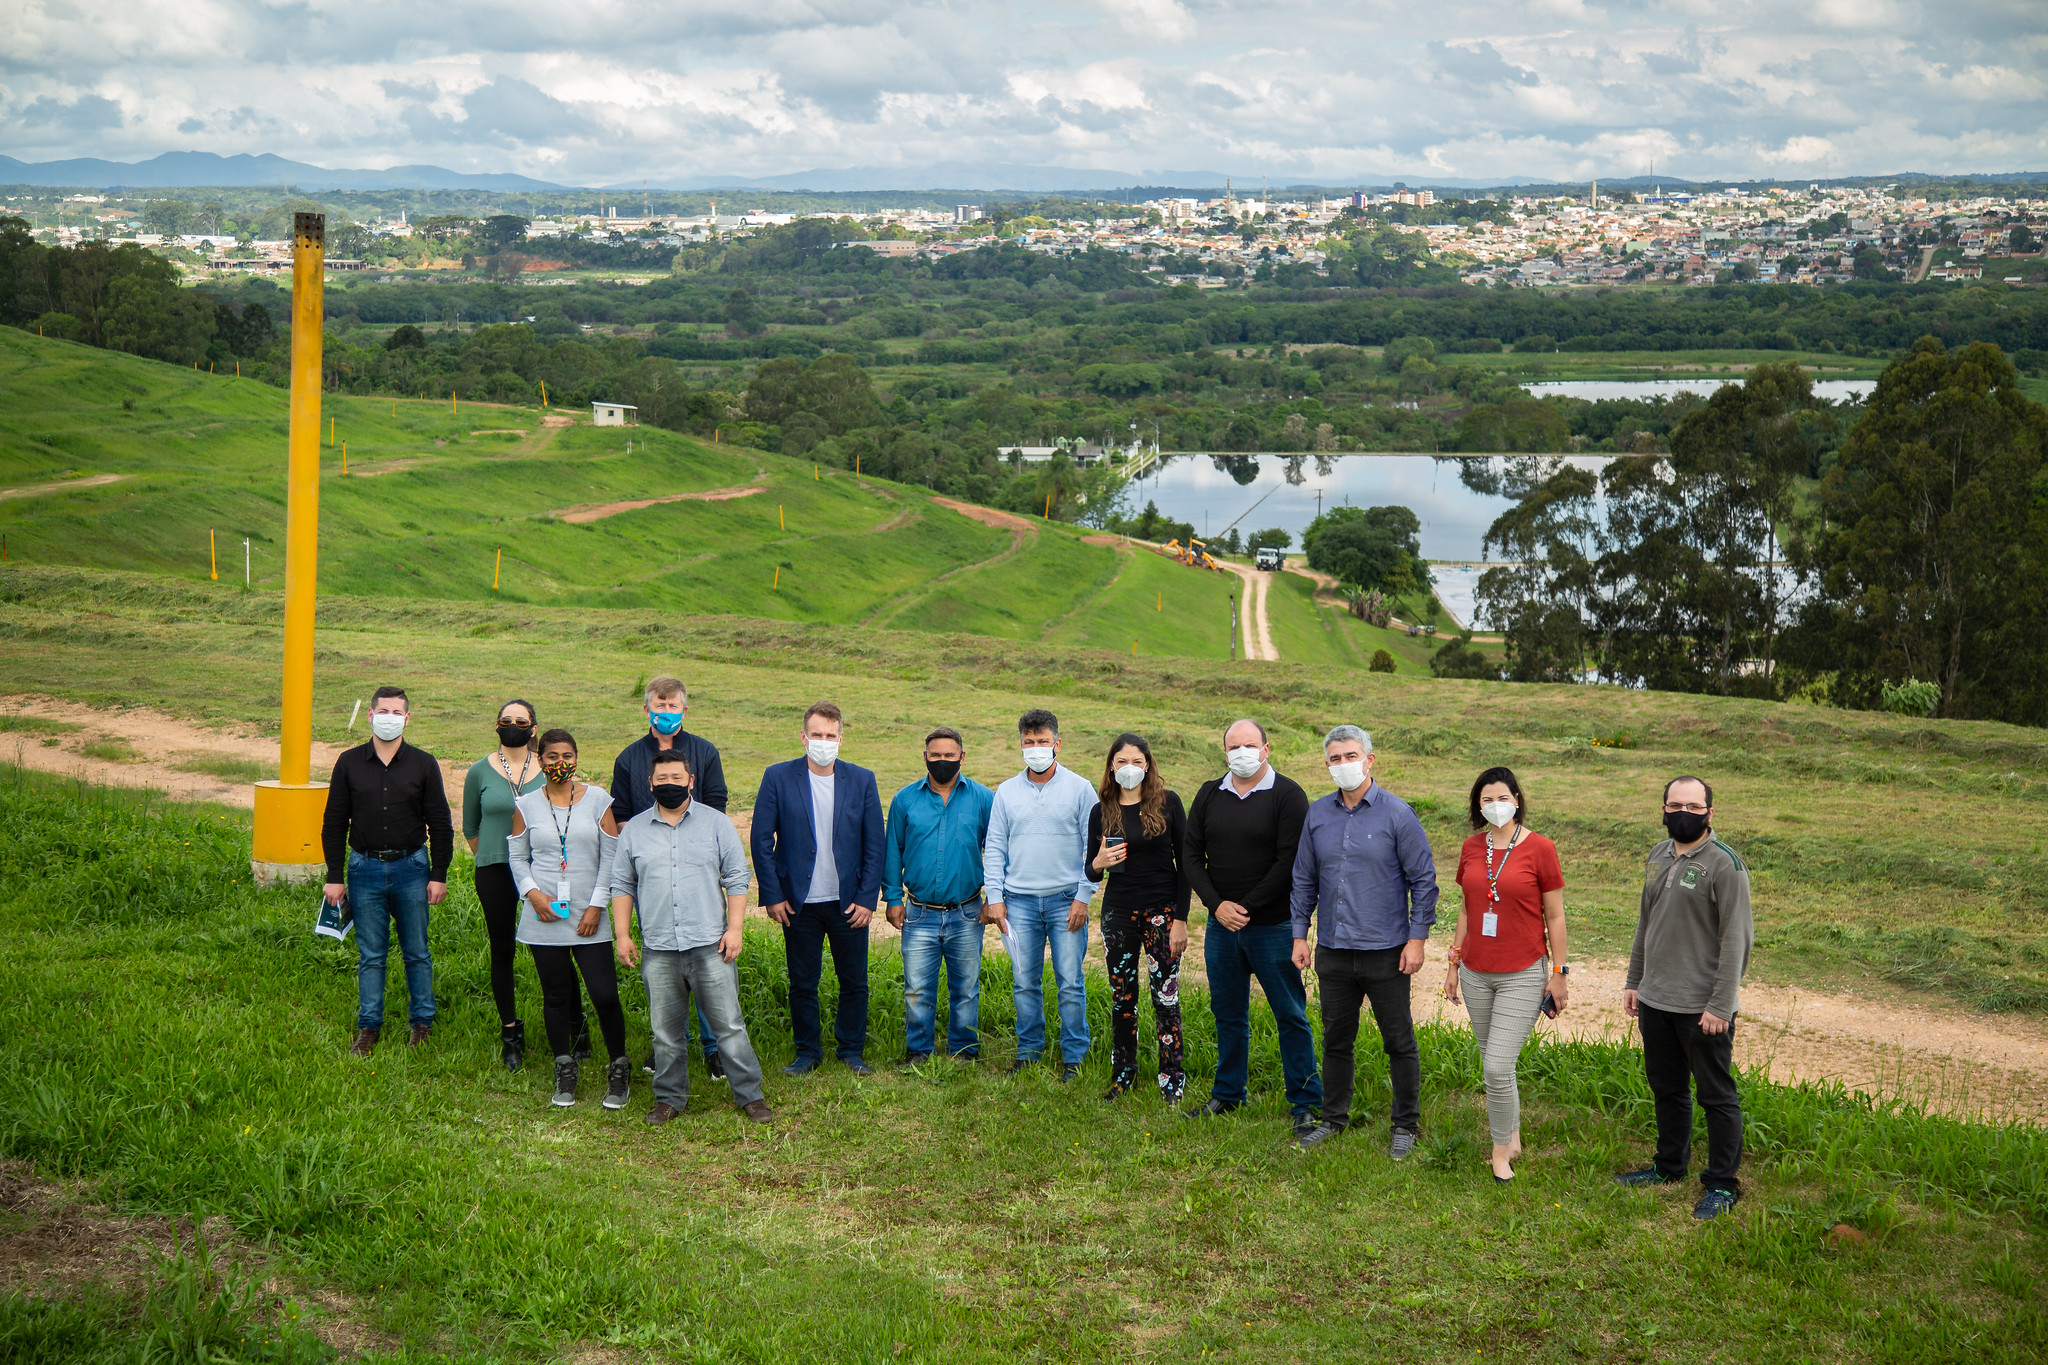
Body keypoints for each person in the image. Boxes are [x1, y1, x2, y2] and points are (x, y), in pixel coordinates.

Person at [1289, 724, 1437, 1157]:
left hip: (1387, 952)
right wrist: (1301, 934)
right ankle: (1334, 1119)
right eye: (1334, 758)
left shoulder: (1397, 814)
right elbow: (1303, 879)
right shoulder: (1317, 815)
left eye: (1350, 756)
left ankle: (1405, 1126)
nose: (1342, 765)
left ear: (1369, 759)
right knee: (1336, 1038)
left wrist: (1417, 940)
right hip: (1333, 951)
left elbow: (1423, 881)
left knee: (1399, 1040)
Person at [1617, 775, 1753, 1221]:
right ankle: (1669, 1166)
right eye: (1676, 805)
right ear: (1663, 809)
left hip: (1702, 1008)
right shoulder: (1658, 855)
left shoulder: (1725, 865)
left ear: (1710, 813)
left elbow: (1736, 940)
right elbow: (1646, 921)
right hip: (1656, 999)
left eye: (1695, 807)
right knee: (1668, 1088)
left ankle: (1722, 1185)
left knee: (1716, 1095)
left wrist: (1720, 1005)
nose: (1684, 813)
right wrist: (1635, 979)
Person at [610, 750, 772, 1125]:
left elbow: (736, 876)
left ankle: (750, 1095)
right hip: (659, 948)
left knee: (729, 1027)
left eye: (676, 778)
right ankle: (669, 1099)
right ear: (650, 784)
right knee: (665, 1034)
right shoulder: (633, 829)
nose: (670, 785)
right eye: (662, 779)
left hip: (711, 944)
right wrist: (622, 934)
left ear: (691, 781)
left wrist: (735, 929)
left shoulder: (717, 824)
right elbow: (621, 884)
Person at [1182, 719, 1320, 1137]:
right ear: (1224, 752)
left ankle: (1305, 1102)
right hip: (1222, 928)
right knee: (1228, 1013)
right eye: (1233, 746)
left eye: (1249, 744)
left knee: (1290, 1014)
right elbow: (1190, 855)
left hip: (1273, 926)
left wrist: (1245, 906)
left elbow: (1289, 862)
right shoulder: (1209, 793)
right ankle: (1228, 1094)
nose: (1241, 752)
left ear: (1266, 748)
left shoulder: (1288, 795)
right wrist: (1216, 905)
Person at [1443, 767, 1568, 1182]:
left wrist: (1559, 972)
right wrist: (1454, 964)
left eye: (1502, 797)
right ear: (1478, 806)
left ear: (1516, 798)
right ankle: (1512, 1135)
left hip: (1523, 973)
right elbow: (1466, 908)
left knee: (1496, 1067)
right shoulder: (1471, 847)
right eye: (1486, 800)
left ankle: (1499, 1152)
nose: (1495, 805)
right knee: (1496, 1064)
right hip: (1477, 972)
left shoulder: (1540, 848)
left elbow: (1555, 915)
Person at [751, 702, 885, 1076]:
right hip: (798, 903)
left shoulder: (862, 779)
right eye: (816, 735)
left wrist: (866, 899)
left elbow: (875, 844)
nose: (823, 742)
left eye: (830, 735)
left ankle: (851, 1049)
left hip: (848, 904)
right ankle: (807, 1051)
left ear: (841, 738)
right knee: (802, 981)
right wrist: (773, 895)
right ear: (803, 736)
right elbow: (761, 839)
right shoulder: (778, 777)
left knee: (854, 980)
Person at [322, 685, 453, 1058]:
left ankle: (422, 1024)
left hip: (412, 867)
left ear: (407, 719)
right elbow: (334, 822)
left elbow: (441, 824)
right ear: (370, 714)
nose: (390, 718)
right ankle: (368, 1027)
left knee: (416, 950)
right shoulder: (348, 762)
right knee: (372, 954)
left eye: (397, 713)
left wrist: (438, 873)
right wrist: (335, 875)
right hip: (364, 869)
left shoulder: (424, 764)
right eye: (384, 711)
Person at [609, 677, 728, 1081]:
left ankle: (715, 1050)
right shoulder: (629, 758)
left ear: (684, 708)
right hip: (652, 877)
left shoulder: (705, 752)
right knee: (662, 964)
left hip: (699, 875)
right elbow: (622, 814)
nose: (666, 712)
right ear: (646, 710)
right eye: (659, 706)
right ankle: (669, 1048)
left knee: (707, 961)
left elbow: (718, 807)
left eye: (673, 705)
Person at [508, 729, 630, 1110]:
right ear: (539, 760)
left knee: (605, 995)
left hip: (589, 916)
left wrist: (597, 905)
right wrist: (533, 894)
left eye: (568, 755)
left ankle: (618, 1067)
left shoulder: (598, 801)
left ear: (577, 758)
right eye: (552, 756)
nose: (561, 763)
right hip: (544, 916)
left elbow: (612, 858)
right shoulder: (526, 805)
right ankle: (564, 1069)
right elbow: (517, 858)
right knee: (556, 997)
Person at [982, 709, 1099, 1081]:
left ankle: (1074, 1056)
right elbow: (996, 846)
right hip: (1018, 904)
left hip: (1067, 900)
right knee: (1024, 981)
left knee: (1070, 981)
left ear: (1057, 744)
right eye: (1029, 742)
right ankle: (1029, 1051)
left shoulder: (1080, 789)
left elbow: (1092, 848)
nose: (1036, 748)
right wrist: (995, 897)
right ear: (1020, 745)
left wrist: (1084, 896)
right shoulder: (1006, 792)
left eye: (1042, 742)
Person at [1084, 733, 1190, 1103]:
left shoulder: (1169, 803)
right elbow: (1091, 872)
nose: (1129, 768)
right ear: (1112, 766)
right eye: (1122, 761)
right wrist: (1098, 863)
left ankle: (1171, 1077)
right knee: (1122, 998)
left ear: (1148, 765)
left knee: (1165, 998)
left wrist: (1181, 918)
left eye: (1136, 761)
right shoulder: (1102, 810)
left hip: (1162, 912)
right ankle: (1123, 1073)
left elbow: (1186, 865)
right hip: (1118, 914)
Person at [883, 727, 995, 1067]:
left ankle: (964, 1051)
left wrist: (994, 896)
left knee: (966, 988)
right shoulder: (905, 799)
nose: (942, 761)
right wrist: (892, 898)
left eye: (949, 755)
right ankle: (919, 1051)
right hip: (918, 911)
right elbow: (892, 852)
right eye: (936, 755)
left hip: (967, 910)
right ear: (925, 757)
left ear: (962, 757)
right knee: (917, 988)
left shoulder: (983, 799)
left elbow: (999, 849)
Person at [463, 698, 547, 1070]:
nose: (513, 725)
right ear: (496, 725)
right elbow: (470, 826)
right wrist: (494, 856)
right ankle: (510, 1031)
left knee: (553, 946)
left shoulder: (549, 768)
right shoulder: (479, 771)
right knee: (502, 949)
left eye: (521, 720)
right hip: (495, 870)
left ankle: (571, 1023)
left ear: (533, 729)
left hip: (542, 871)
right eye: (505, 719)